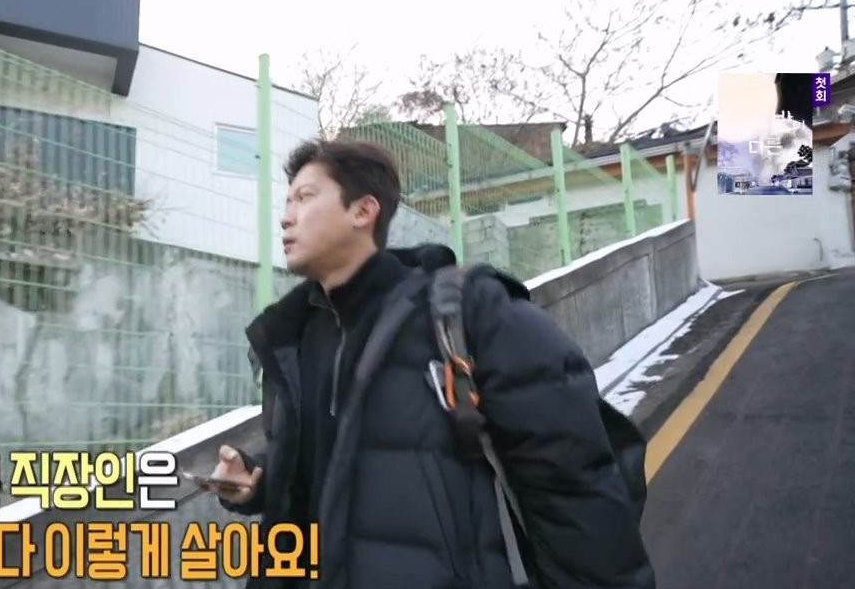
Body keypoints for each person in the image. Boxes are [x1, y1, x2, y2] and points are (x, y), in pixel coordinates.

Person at [202, 139, 655, 588]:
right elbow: (334, 465)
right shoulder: (295, 336)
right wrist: (260, 477)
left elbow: (577, 492)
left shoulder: (470, 312)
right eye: (287, 202)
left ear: (363, 211)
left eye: (304, 197)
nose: (286, 216)